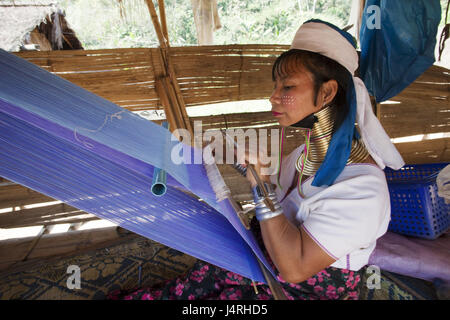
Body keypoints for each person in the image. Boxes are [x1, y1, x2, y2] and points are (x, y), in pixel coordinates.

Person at [108, 19, 404, 300]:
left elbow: (295, 268)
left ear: (326, 92)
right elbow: (284, 197)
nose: (273, 97)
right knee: (203, 275)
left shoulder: (363, 190)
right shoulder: (306, 155)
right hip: (272, 258)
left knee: (213, 287)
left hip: (307, 288)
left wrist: (260, 186)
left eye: (287, 87)